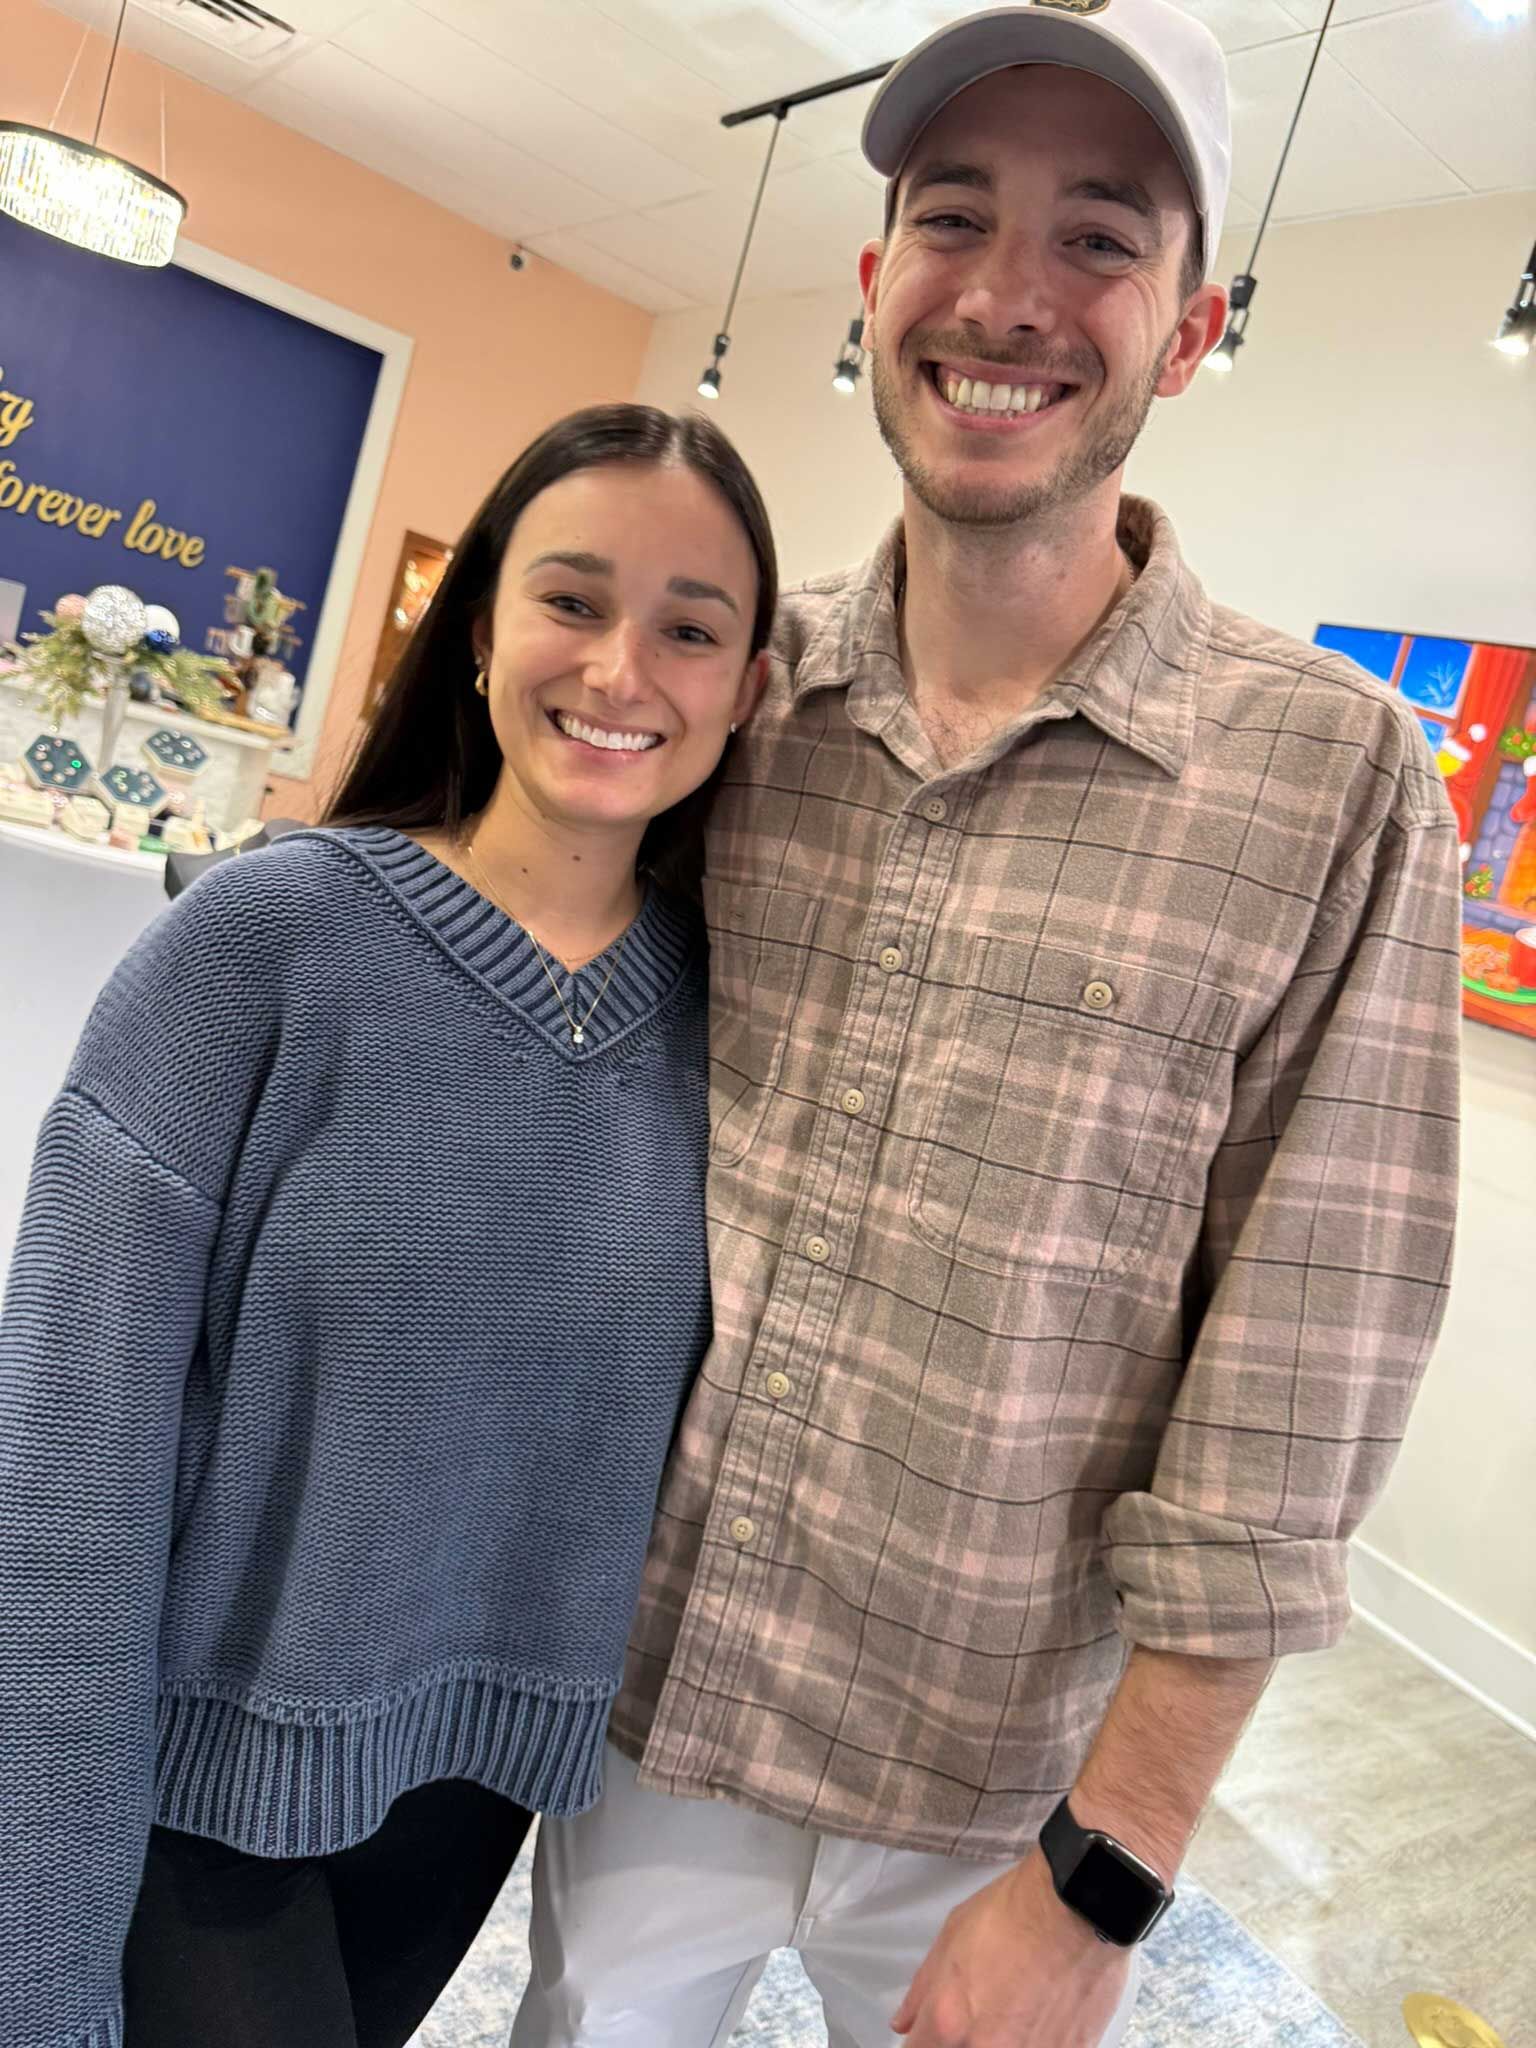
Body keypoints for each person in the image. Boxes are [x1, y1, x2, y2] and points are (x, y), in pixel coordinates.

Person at [511, 7, 1464, 2047]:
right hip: (653, 1692)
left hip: (993, 1795)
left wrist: (1104, 1882)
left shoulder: (1336, 779)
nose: (1012, 296)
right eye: (957, 216)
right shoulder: (733, 709)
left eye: (1102, 242)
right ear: (874, 288)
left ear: (1192, 327)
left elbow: (1294, 1399)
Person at [0, 402, 774, 2048]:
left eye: (690, 628)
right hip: (192, 1792)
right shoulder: (269, 943)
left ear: (749, 688)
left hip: (471, 1797)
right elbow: (66, 1465)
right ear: (480, 618)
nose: (623, 669)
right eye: (572, 600)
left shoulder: (733, 1029)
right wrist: (35, 1948)